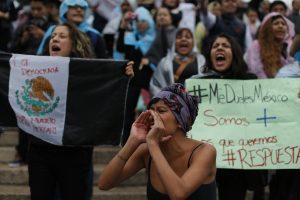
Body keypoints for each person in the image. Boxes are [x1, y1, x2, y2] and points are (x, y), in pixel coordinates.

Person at [27, 22, 133, 200]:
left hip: (74, 153)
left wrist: (122, 76)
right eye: (53, 36)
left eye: (62, 36)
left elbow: (105, 98)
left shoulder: (89, 74)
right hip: (40, 151)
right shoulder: (34, 69)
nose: (55, 39)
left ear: (74, 43)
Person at [98, 83, 217, 200]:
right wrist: (132, 141)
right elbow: (104, 184)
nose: (152, 115)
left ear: (181, 121)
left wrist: (153, 144)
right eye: (151, 110)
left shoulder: (204, 151)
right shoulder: (146, 151)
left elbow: (178, 194)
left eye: (161, 110)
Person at [193, 33, 268, 200]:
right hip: (203, 160)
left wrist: (293, 98)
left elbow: (269, 110)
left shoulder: (250, 82)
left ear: (234, 53)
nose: (219, 48)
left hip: (236, 164)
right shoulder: (198, 85)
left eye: (225, 45)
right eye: (215, 46)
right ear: (210, 55)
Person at [37, 0, 107, 58]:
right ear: (64, 10)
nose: (79, 10)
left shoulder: (95, 35)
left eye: (82, 8)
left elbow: (103, 64)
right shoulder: (53, 30)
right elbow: (41, 57)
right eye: (73, 7)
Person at [149, 27, 205, 96]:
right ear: (174, 42)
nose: (183, 39)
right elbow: (155, 85)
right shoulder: (165, 62)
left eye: (188, 37)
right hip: (172, 104)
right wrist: (165, 101)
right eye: (179, 37)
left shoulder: (203, 60)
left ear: (193, 42)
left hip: (198, 103)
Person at [245, 12, 295, 78]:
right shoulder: (257, 45)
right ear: (267, 28)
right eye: (276, 23)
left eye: (283, 24)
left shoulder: (289, 46)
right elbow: (255, 70)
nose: (280, 26)